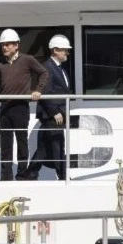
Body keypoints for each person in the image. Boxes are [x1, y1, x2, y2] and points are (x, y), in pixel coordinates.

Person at [0, 29, 48, 181]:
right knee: (5, 146)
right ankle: (6, 177)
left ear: (16, 46)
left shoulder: (28, 60)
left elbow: (44, 73)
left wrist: (38, 90)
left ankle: (22, 175)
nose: (4, 48)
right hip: (5, 108)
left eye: (7, 45)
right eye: (3, 45)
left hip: (20, 108)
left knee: (22, 143)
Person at [25, 35, 72, 180]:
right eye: (65, 50)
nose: (67, 53)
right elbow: (44, 92)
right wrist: (55, 112)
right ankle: (63, 175)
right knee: (58, 145)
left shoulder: (59, 68)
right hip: (52, 115)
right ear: (56, 50)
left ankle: (30, 174)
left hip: (57, 114)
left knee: (44, 149)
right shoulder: (47, 67)